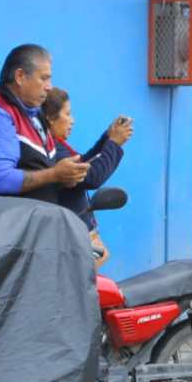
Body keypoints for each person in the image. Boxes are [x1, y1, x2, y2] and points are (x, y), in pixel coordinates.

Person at [0, 44, 89, 202]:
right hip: (8, 217)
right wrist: (55, 174)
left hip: (40, 215)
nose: (49, 87)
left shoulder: (35, 114)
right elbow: (0, 180)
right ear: (20, 76)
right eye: (43, 78)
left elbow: (40, 172)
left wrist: (64, 178)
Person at [42, 88, 130, 268]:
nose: (72, 120)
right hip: (73, 238)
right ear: (50, 118)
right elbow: (92, 177)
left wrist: (107, 138)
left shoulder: (55, 145)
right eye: (67, 114)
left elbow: (84, 162)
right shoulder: (52, 150)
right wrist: (114, 144)